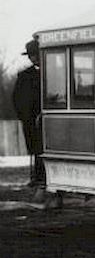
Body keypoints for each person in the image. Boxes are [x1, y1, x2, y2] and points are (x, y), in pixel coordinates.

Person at [12, 38, 45, 189]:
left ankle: (42, 177)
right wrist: (24, 117)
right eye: (31, 55)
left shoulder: (50, 72)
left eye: (36, 54)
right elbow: (17, 98)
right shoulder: (24, 76)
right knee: (35, 149)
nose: (34, 58)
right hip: (30, 120)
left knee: (43, 149)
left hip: (44, 119)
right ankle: (37, 177)